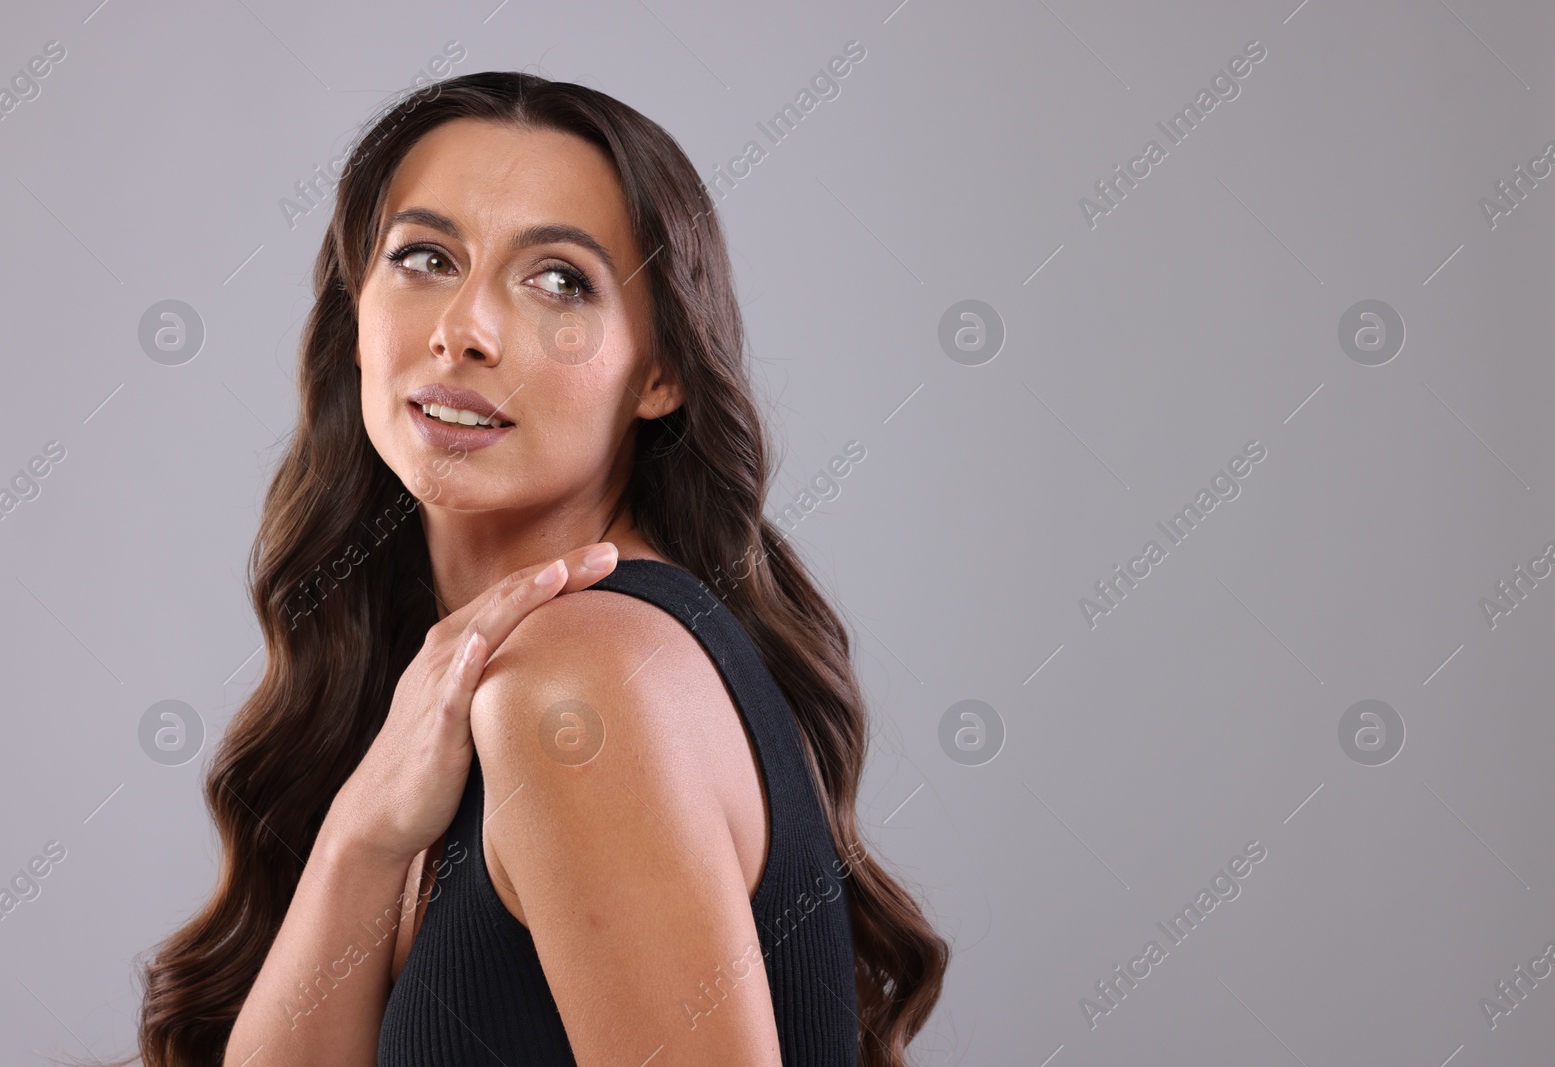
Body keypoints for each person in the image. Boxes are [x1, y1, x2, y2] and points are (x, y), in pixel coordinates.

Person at [123, 71, 947, 1067]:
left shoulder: (579, 681)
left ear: (660, 372)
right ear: (356, 312)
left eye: (560, 279)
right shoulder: (457, 691)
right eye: (425, 256)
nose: (464, 329)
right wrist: (365, 835)